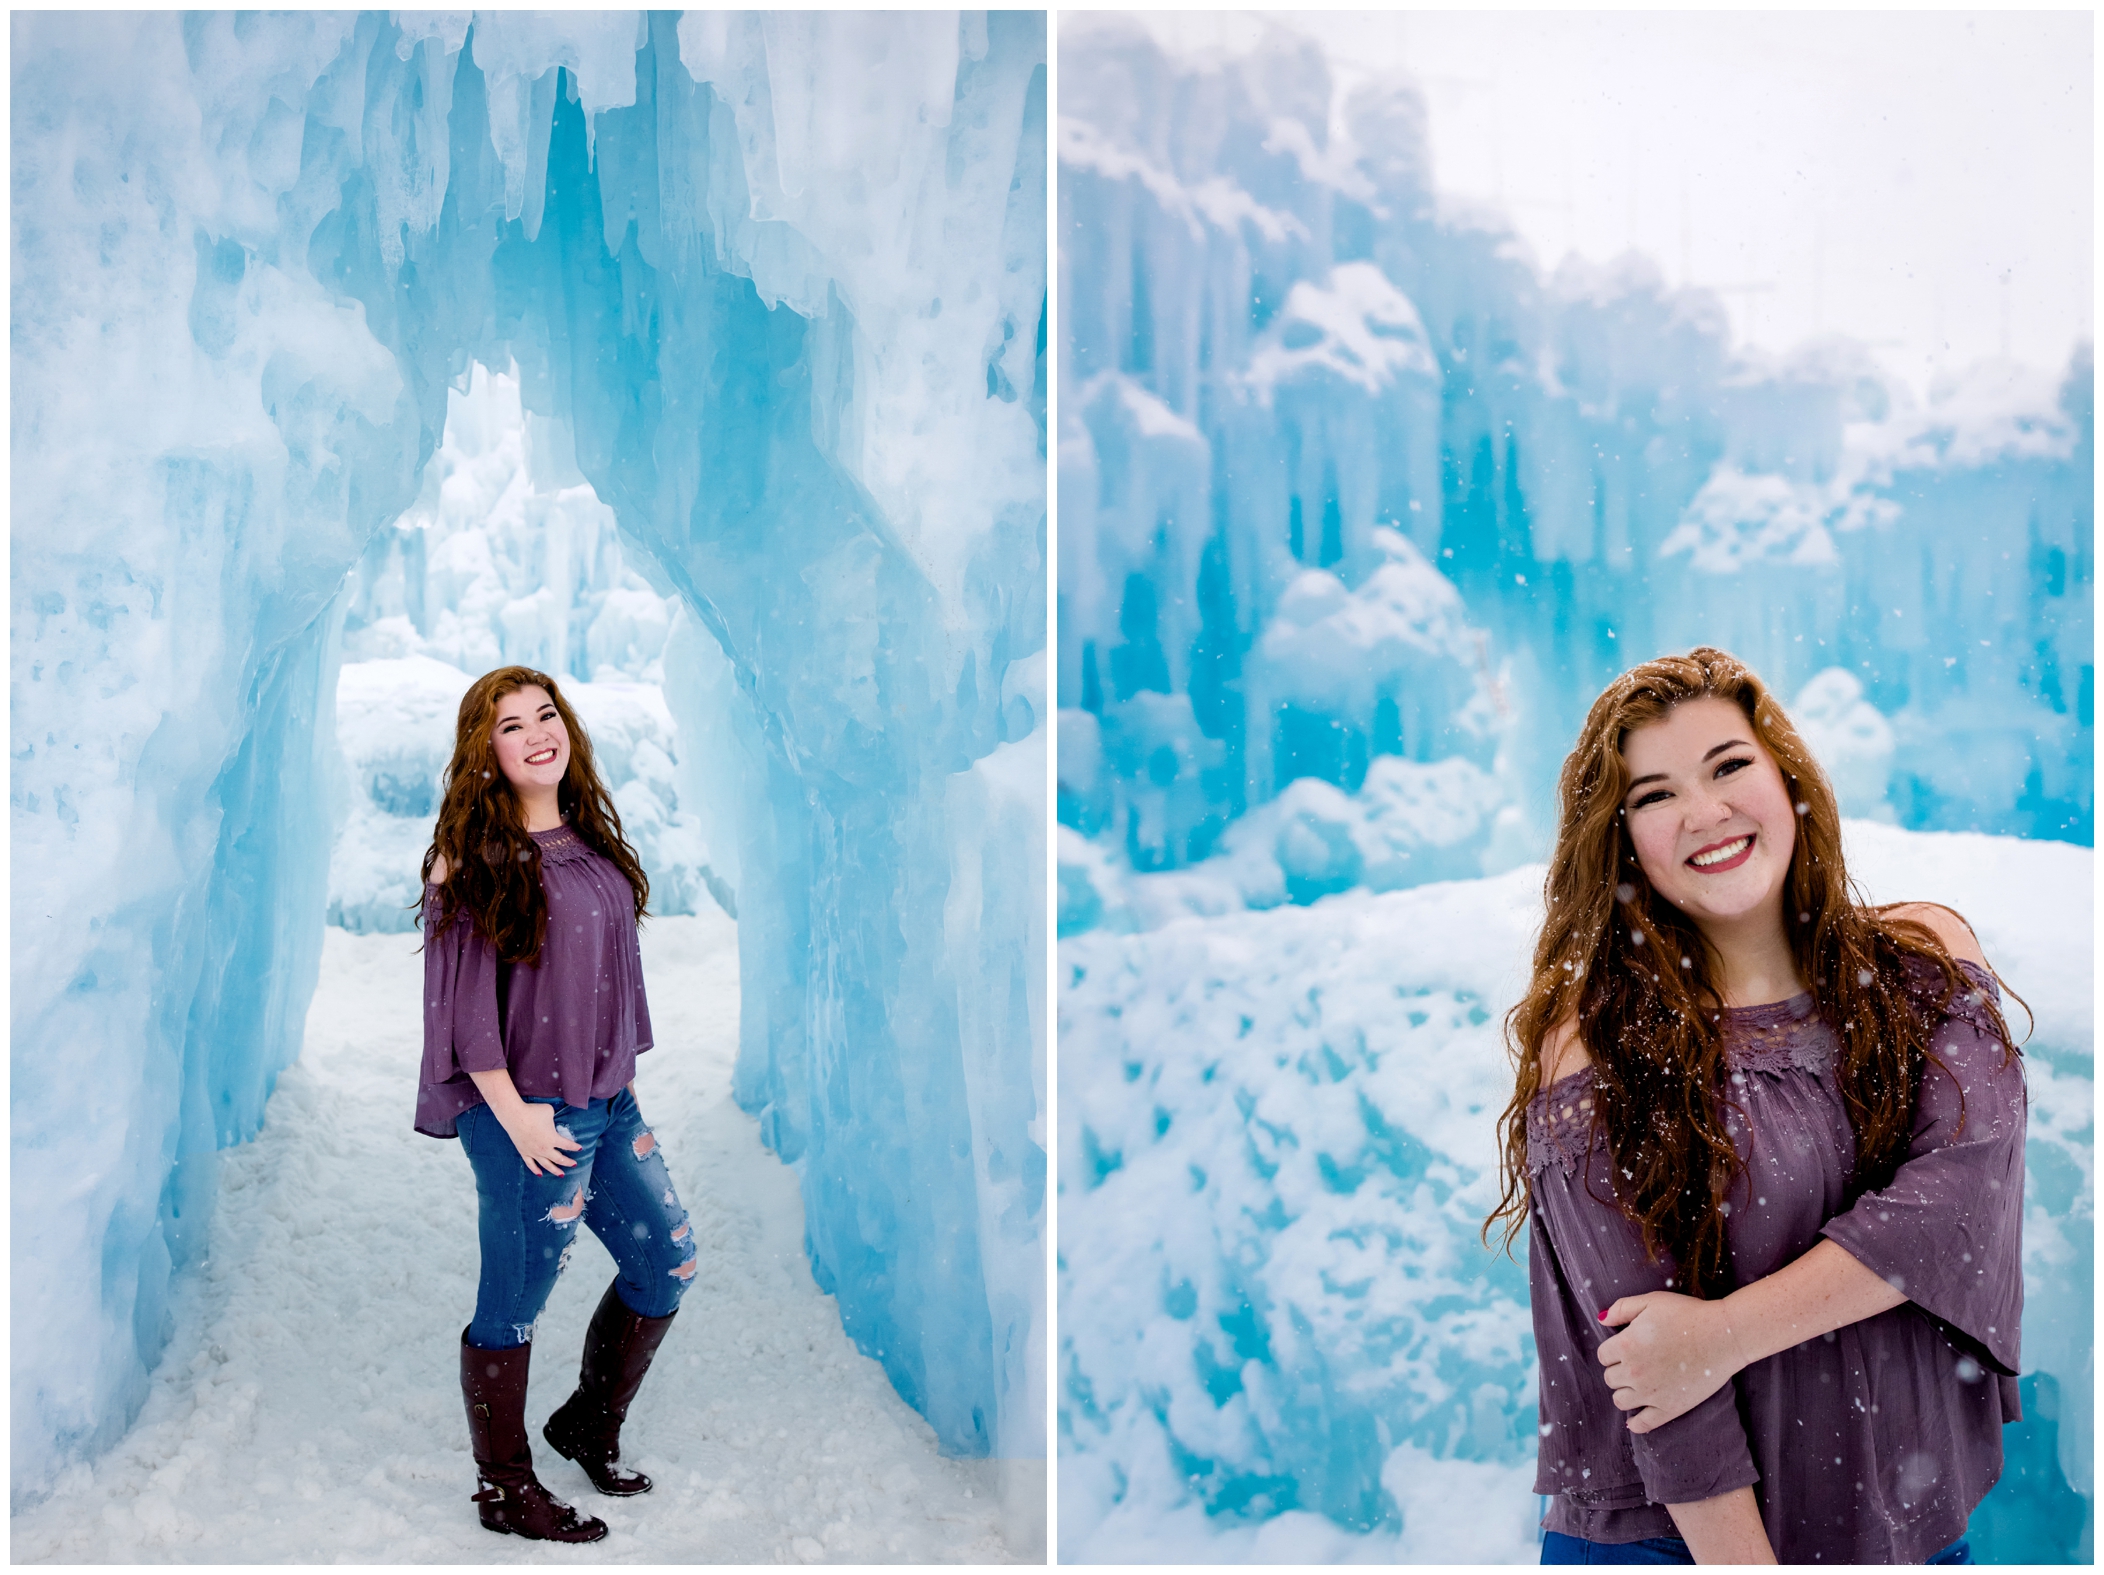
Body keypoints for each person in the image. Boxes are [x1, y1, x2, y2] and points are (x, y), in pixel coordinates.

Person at [1486, 647, 2026, 1565]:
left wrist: (1726, 1334)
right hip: (1683, 1540)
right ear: (1620, 840)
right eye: (1653, 794)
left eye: (1729, 765)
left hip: (1905, 1527)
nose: (1705, 811)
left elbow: (1956, 1209)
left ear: (1787, 775)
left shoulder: (1922, 961)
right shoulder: (1593, 1045)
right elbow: (1653, 1371)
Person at [415, 665, 697, 1543]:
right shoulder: (474, 859)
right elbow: (462, 1007)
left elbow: (601, 975)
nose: (538, 731)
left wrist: (615, 1077)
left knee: (669, 1263)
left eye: (547, 714)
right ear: (484, 753)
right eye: (511, 725)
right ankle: (503, 1488)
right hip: (529, 1115)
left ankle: (584, 1420)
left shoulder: (589, 841)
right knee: (515, 1298)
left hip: (607, 1103)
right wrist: (516, 1114)